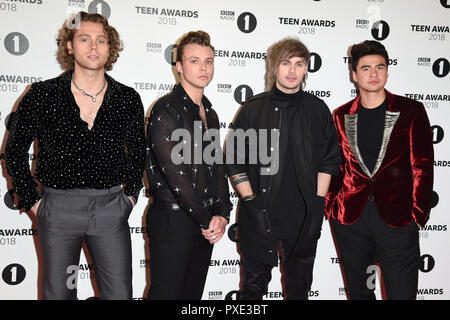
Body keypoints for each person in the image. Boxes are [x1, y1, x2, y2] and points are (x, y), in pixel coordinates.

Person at [5, 11, 146, 300]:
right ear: (70, 46)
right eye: (84, 39)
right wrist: (33, 202)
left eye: (101, 40)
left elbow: (138, 154)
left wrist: (129, 197)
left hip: (110, 208)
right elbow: (14, 151)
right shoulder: (43, 94)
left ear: (110, 47)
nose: (93, 46)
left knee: (119, 294)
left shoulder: (127, 98)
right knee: (60, 294)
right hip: (57, 209)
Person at [226, 37, 340, 300]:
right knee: (252, 290)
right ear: (274, 66)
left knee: (299, 291)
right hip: (259, 214)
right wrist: (250, 200)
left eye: (299, 64)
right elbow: (234, 158)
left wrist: (317, 204)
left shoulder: (317, 109)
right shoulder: (254, 109)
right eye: (285, 63)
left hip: (302, 217)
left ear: (306, 68)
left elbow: (329, 160)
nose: (292, 71)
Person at [325, 40, 434, 300]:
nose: (373, 74)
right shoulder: (340, 115)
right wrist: (332, 206)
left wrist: (417, 214)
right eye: (365, 68)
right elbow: (335, 166)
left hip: (398, 219)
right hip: (351, 219)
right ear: (354, 74)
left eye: (379, 67)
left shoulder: (410, 110)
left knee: (402, 294)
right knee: (360, 294)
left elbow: (423, 165)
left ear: (386, 70)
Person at [145, 30, 232, 300]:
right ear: (179, 67)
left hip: (202, 222)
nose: (204, 68)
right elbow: (177, 178)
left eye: (209, 61)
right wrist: (208, 221)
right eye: (195, 61)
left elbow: (216, 166)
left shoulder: (210, 111)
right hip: (173, 221)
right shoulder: (166, 110)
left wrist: (222, 213)